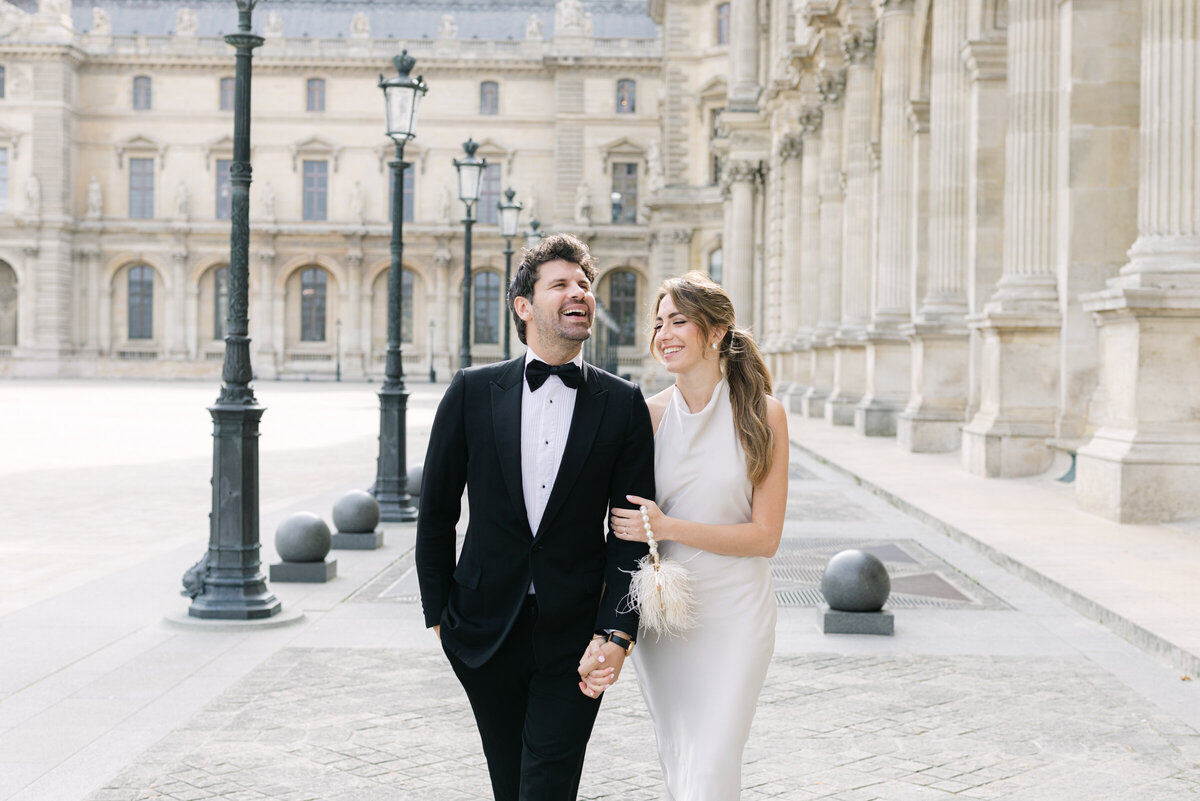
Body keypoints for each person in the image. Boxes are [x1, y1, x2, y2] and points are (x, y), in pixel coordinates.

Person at [415, 233, 655, 801]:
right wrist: (439, 616)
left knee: (546, 785)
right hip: (481, 629)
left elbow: (631, 535)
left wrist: (617, 632)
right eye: (561, 284)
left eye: (585, 284)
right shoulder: (472, 391)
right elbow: (437, 509)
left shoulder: (622, 403)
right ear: (524, 307)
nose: (580, 293)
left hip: (576, 636)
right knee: (509, 782)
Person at [600, 271, 788, 800]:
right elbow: (620, 526)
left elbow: (765, 537)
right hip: (666, 618)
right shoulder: (646, 416)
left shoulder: (764, 415)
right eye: (658, 323)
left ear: (717, 331)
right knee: (680, 759)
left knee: (711, 764)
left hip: (736, 613)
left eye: (678, 320)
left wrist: (669, 526)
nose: (664, 333)